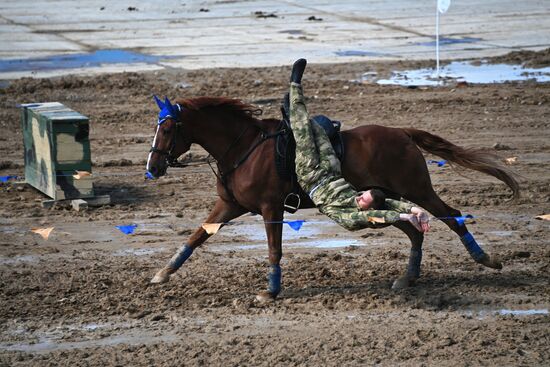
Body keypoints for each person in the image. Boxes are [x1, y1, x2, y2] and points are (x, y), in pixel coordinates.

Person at [289, 58, 430, 232]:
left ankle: (295, 85)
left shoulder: (349, 217)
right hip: (332, 171)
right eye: (363, 193)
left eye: (363, 199)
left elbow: (377, 216)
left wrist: (403, 217)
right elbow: (390, 203)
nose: (360, 196)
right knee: (318, 130)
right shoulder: (363, 199)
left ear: (367, 209)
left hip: (311, 177)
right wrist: (416, 210)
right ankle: (295, 109)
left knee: (303, 131)